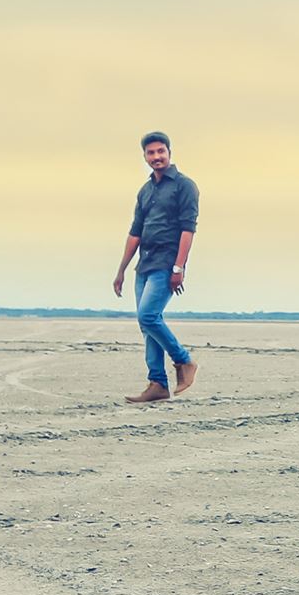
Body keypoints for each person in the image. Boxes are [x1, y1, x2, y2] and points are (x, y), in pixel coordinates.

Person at [112, 131, 199, 404]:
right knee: (146, 324)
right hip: (145, 263)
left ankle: (184, 361)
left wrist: (178, 267)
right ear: (145, 157)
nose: (156, 157)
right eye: (151, 153)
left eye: (161, 151)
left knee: (148, 316)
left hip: (166, 262)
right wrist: (122, 269)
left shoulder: (184, 186)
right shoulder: (146, 190)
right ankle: (157, 384)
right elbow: (135, 232)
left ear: (169, 153)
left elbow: (188, 229)